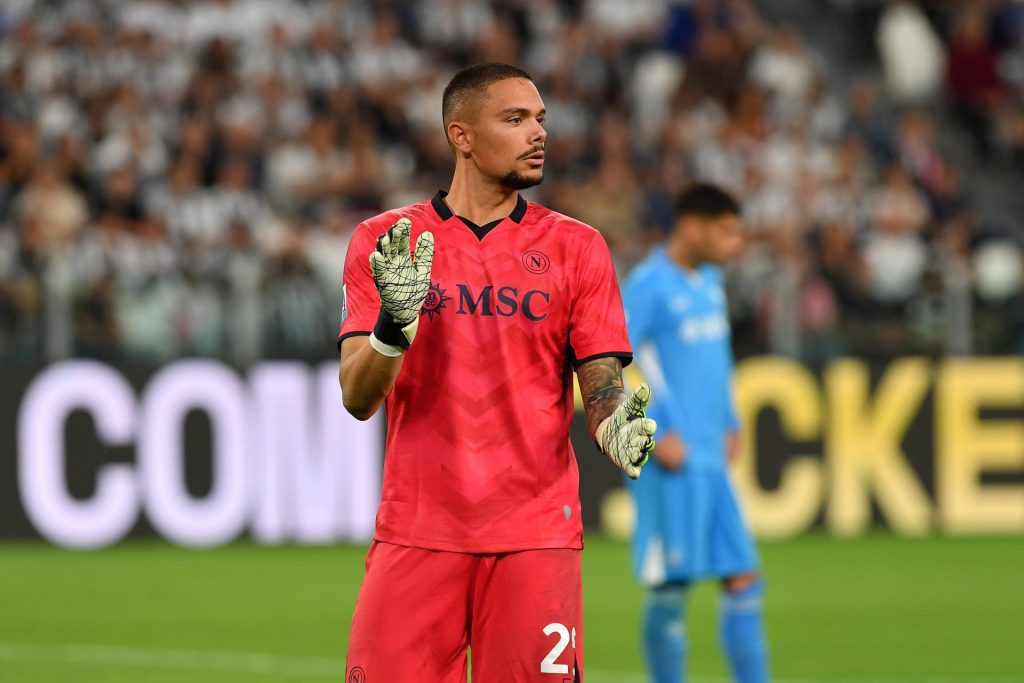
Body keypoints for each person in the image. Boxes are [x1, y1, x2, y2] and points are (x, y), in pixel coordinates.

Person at [336, 62, 657, 682]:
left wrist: (615, 427)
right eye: (515, 119)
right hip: (417, 529)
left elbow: (604, 389)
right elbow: (357, 396)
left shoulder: (577, 247)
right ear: (461, 136)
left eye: (540, 119)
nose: (538, 133)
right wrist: (394, 325)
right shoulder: (388, 241)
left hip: (535, 535)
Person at [622, 183, 769, 683]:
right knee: (672, 585)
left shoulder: (709, 280)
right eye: (727, 232)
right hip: (674, 458)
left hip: (712, 455)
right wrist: (651, 432)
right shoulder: (648, 286)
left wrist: (731, 419)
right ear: (691, 227)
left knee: (744, 577)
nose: (736, 244)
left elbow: (716, 359)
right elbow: (613, 363)